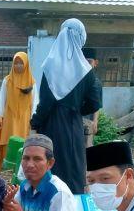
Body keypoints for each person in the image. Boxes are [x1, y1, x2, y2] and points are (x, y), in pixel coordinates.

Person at [31, 19, 101, 194]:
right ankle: (73, 207)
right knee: (73, 166)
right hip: (73, 125)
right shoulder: (86, 70)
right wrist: (76, 108)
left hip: (50, 125)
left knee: (50, 163)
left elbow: (45, 103)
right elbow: (94, 103)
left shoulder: (50, 66)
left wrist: (35, 123)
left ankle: (47, 208)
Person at [0, 52, 37, 167]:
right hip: (9, 116)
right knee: (8, 141)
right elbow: (2, 99)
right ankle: (6, 168)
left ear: (26, 65)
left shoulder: (31, 83)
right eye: (16, 63)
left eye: (21, 63)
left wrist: (33, 119)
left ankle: (20, 168)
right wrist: (0, 116)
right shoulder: (7, 80)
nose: (18, 66)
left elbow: (34, 102)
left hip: (24, 118)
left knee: (22, 142)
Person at [85, 57, 103, 142]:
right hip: (75, 122)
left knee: (88, 145)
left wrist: (95, 121)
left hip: (89, 121)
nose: (87, 64)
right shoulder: (76, 81)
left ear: (95, 63)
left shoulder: (97, 82)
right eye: (85, 61)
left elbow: (97, 106)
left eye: (89, 61)